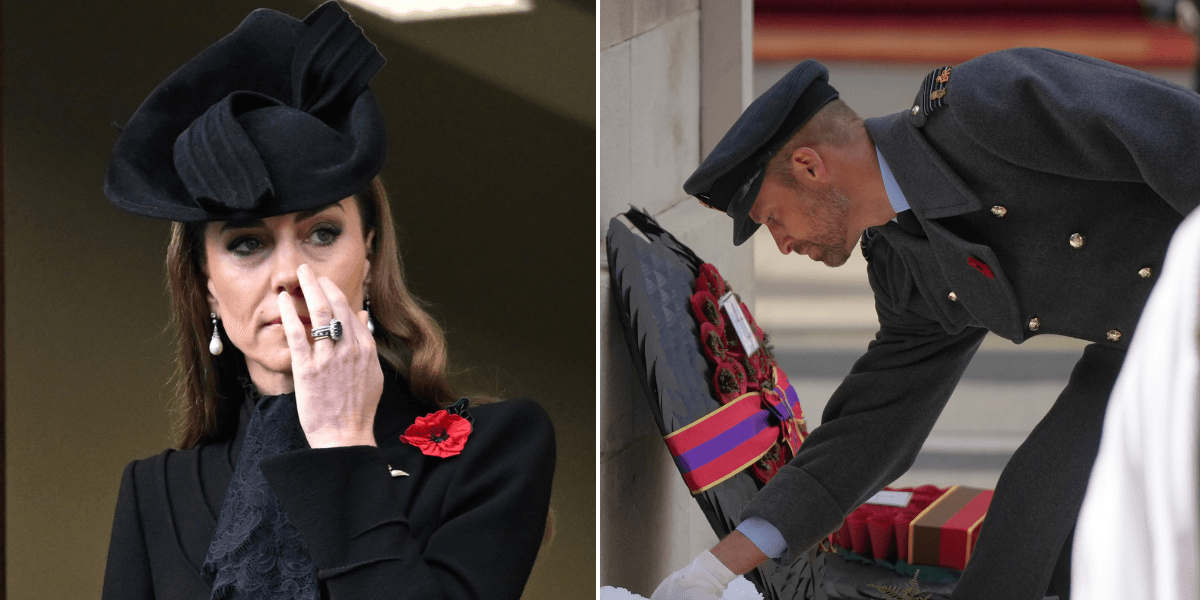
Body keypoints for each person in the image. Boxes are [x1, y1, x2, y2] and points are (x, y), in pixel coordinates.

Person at [651, 49, 1199, 600]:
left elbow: (1181, 136)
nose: (784, 244)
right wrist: (717, 568)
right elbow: (876, 424)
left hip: (1183, 326)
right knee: (1029, 527)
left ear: (811, 167)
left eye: (773, 218)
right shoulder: (905, 261)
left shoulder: (988, 106)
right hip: (1149, 348)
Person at [99, 3, 555, 599]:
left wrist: (342, 436)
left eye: (321, 234)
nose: (289, 272)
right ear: (206, 281)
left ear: (367, 257)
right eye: (246, 244)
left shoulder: (492, 446)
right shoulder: (155, 491)